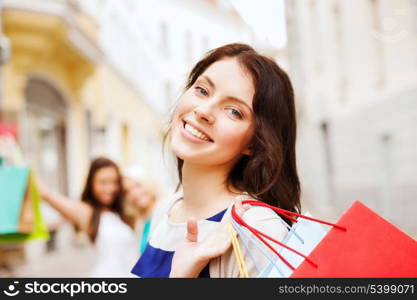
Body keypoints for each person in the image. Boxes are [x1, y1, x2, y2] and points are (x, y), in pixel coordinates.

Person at [131, 43, 301, 278]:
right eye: (202, 90)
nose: (203, 111)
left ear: (255, 143)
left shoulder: (257, 229)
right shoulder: (165, 210)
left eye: (234, 111)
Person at [37, 157, 138, 277]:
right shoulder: (87, 212)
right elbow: (46, 195)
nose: (110, 188)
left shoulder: (121, 212)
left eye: (114, 182)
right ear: (92, 184)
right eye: (103, 182)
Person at [123, 176, 159, 254]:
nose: (134, 194)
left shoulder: (168, 210)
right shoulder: (139, 224)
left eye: (137, 185)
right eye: (127, 192)